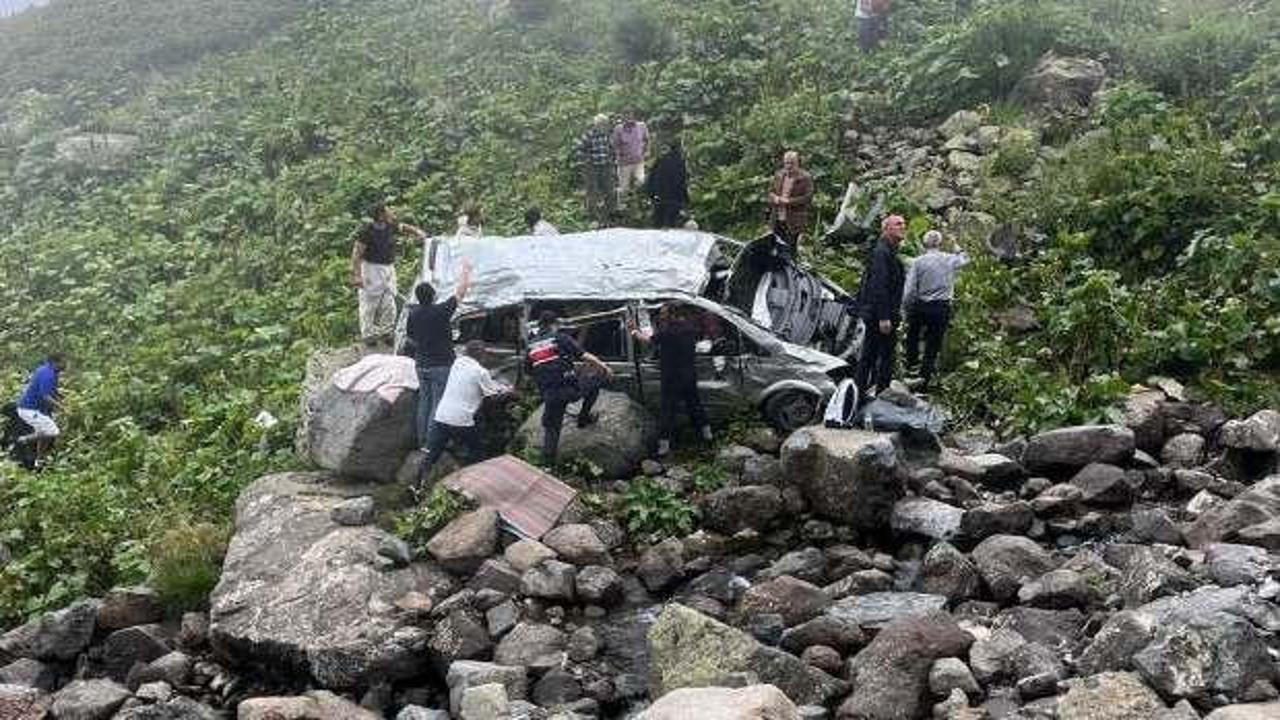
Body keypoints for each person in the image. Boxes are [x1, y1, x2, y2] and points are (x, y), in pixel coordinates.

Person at [413, 340, 513, 494]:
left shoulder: (457, 363)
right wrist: (509, 392)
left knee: (431, 455)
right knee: (478, 450)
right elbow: (493, 396)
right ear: (481, 355)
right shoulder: (480, 372)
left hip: (441, 417)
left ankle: (417, 486)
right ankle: (473, 484)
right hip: (462, 422)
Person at [526, 310, 613, 464]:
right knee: (597, 379)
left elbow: (528, 370)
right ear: (554, 324)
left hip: (550, 394)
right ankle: (583, 417)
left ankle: (547, 464)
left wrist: (547, 377)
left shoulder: (531, 346)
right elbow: (584, 355)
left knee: (552, 429)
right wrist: (604, 367)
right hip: (570, 390)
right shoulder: (560, 338)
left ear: (540, 326)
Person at [629, 305, 712, 457]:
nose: (661, 316)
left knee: (667, 411)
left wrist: (634, 330)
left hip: (671, 377)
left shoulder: (667, 332)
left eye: (663, 314)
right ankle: (707, 436)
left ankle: (664, 446)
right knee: (695, 405)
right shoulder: (690, 329)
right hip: (689, 375)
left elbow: (647, 340)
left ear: (671, 315)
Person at [407, 259, 473, 447]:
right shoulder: (441, 311)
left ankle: (422, 441)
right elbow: (461, 292)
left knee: (424, 403)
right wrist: (466, 270)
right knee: (438, 403)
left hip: (421, 365)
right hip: (441, 365)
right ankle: (432, 444)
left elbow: (411, 338)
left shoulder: (413, 314)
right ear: (434, 295)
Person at [350, 202, 427, 347]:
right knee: (369, 303)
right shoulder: (366, 232)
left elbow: (404, 227)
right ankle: (368, 334)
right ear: (380, 215)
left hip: (388, 268)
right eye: (387, 211)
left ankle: (386, 331)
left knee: (389, 301)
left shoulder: (390, 225)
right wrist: (357, 275)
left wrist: (418, 232)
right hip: (371, 268)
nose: (391, 212)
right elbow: (357, 254)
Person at [902, 230, 970, 392]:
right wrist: (956, 245)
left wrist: (906, 307)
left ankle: (911, 368)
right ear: (940, 243)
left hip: (921, 306)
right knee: (932, 344)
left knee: (912, 336)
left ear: (924, 244)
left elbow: (909, 290)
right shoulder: (949, 259)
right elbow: (966, 259)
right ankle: (924, 381)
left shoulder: (918, 262)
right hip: (941, 307)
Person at [853, 214, 906, 401]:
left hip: (882, 314)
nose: (902, 226)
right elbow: (879, 286)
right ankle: (875, 396)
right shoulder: (881, 252)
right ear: (886, 228)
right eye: (898, 224)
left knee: (873, 355)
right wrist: (884, 317)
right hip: (879, 316)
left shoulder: (888, 251)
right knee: (880, 357)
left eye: (903, 224)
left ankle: (862, 395)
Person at [14, 353, 66, 467]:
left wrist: (61, 396)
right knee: (53, 432)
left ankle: (39, 461)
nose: (65, 364)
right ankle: (22, 440)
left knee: (43, 433)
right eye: (63, 362)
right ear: (55, 362)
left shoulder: (48, 370)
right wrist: (62, 408)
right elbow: (46, 396)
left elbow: (50, 390)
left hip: (34, 409)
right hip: (29, 409)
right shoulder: (48, 374)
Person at [766, 150, 814, 249]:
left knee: (791, 248)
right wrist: (775, 198)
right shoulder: (779, 175)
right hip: (777, 218)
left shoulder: (805, 178)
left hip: (794, 221)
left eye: (792, 163)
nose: (789, 166)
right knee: (776, 246)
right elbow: (770, 192)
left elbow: (808, 198)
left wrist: (789, 201)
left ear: (797, 163)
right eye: (787, 163)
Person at [577, 114, 616, 227]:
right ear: (595, 125)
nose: (602, 126)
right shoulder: (588, 135)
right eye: (600, 124)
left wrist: (612, 160)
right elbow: (580, 150)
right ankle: (592, 217)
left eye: (604, 124)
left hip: (606, 166)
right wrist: (586, 161)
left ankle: (609, 215)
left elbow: (612, 148)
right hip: (592, 167)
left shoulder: (607, 135)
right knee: (592, 191)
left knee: (609, 190)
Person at [646, 138, 689, 228]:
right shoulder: (680, 162)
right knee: (670, 225)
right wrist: (685, 199)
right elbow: (681, 182)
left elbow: (651, 179)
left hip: (659, 198)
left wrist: (651, 195)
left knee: (657, 224)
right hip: (674, 199)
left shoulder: (660, 161)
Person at [611, 109, 650, 206]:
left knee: (641, 181)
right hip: (624, 163)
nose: (628, 118)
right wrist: (618, 154)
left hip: (638, 161)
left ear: (633, 116)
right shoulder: (618, 129)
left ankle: (641, 202)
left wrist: (646, 151)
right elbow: (614, 144)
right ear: (623, 117)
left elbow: (647, 140)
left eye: (630, 115)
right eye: (626, 116)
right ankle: (622, 206)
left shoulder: (641, 126)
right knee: (624, 187)